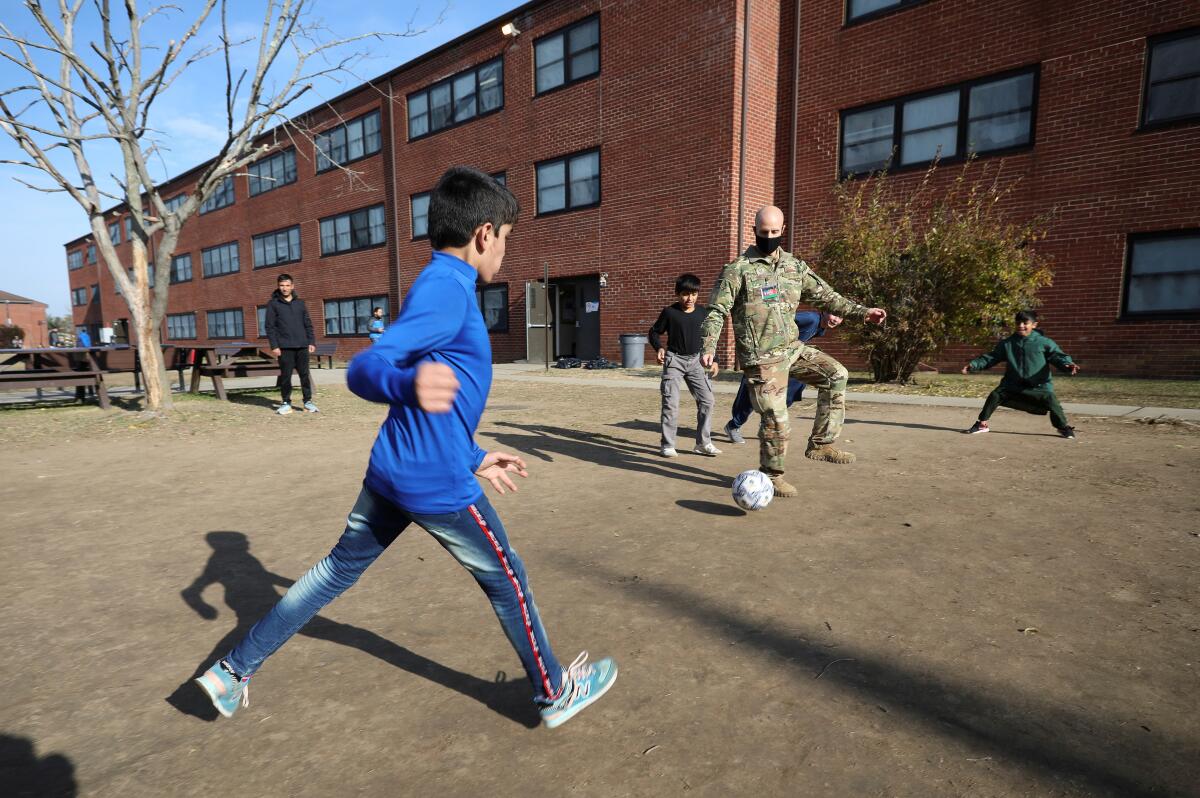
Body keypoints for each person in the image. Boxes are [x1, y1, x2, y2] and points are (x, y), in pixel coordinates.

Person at [193, 166, 617, 729]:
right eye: (508, 240)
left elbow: (433, 397)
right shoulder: (448, 291)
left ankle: (231, 671)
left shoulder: (438, 283)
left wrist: (474, 455)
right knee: (507, 579)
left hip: (395, 470)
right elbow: (367, 367)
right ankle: (554, 692)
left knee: (334, 571)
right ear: (485, 233)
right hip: (434, 484)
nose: (505, 255)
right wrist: (405, 385)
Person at [700, 205, 887, 498]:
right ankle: (771, 475)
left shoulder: (794, 267)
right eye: (764, 233)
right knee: (776, 417)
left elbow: (827, 296)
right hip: (761, 359)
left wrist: (864, 312)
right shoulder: (738, 270)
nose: (769, 237)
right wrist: (709, 346)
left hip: (791, 349)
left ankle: (821, 443)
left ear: (783, 230)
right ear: (754, 231)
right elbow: (716, 310)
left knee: (836, 374)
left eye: (775, 232)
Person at [722, 311, 841, 444]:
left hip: (786, 363)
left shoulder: (820, 328)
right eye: (834, 315)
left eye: (840, 317)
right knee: (753, 394)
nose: (836, 320)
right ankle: (733, 426)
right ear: (824, 312)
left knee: (790, 391)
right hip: (766, 358)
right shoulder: (810, 319)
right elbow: (779, 320)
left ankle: (767, 425)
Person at [962, 309, 1080, 439]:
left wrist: (1067, 365)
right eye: (1018, 323)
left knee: (1051, 401)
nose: (1021, 326)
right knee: (996, 395)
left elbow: (1058, 357)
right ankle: (981, 424)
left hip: (1039, 386)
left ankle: (1063, 427)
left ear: (1034, 324)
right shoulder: (1008, 343)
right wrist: (974, 365)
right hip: (1013, 385)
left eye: (1025, 323)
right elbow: (991, 357)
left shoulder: (1044, 343)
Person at [649, 273, 722, 458]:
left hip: (696, 362)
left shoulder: (702, 313)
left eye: (694, 294)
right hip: (674, 361)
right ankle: (668, 444)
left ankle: (703, 443)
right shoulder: (669, 313)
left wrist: (715, 360)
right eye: (685, 294)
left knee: (708, 401)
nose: (689, 298)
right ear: (677, 294)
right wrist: (659, 348)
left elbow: (709, 339)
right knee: (670, 404)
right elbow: (654, 332)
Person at [265, 273, 317, 414]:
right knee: (286, 376)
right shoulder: (273, 304)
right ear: (278, 286)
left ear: (292, 286)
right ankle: (286, 402)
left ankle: (308, 402)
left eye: (287, 285)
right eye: (282, 285)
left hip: (302, 345)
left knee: (304, 375)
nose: (285, 288)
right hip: (284, 347)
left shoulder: (300, 304)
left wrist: (311, 341)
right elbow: (270, 327)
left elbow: (308, 324)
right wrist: (274, 345)